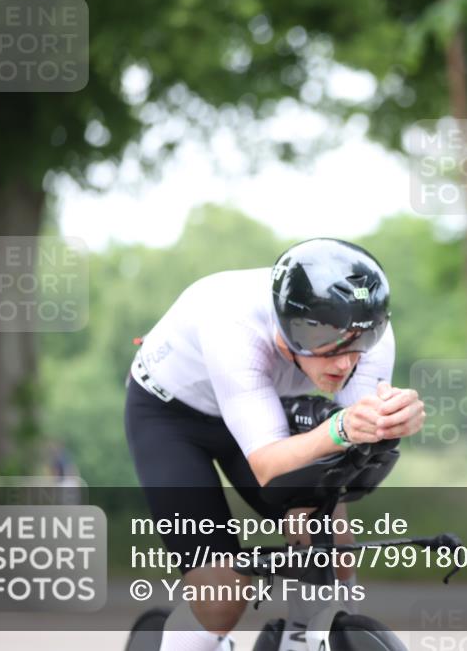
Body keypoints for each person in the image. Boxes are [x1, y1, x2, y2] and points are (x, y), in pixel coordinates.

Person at [123, 238, 426, 651]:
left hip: (262, 404)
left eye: (358, 342)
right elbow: (269, 464)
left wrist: (390, 423)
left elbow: (353, 449)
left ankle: (303, 639)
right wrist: (341, 428)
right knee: (223, 597)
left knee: (332, 544)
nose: (344, 362)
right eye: (327, 343)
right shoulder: (234, 326)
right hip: (171, 418)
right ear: (287, 330)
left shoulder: (370, 332)